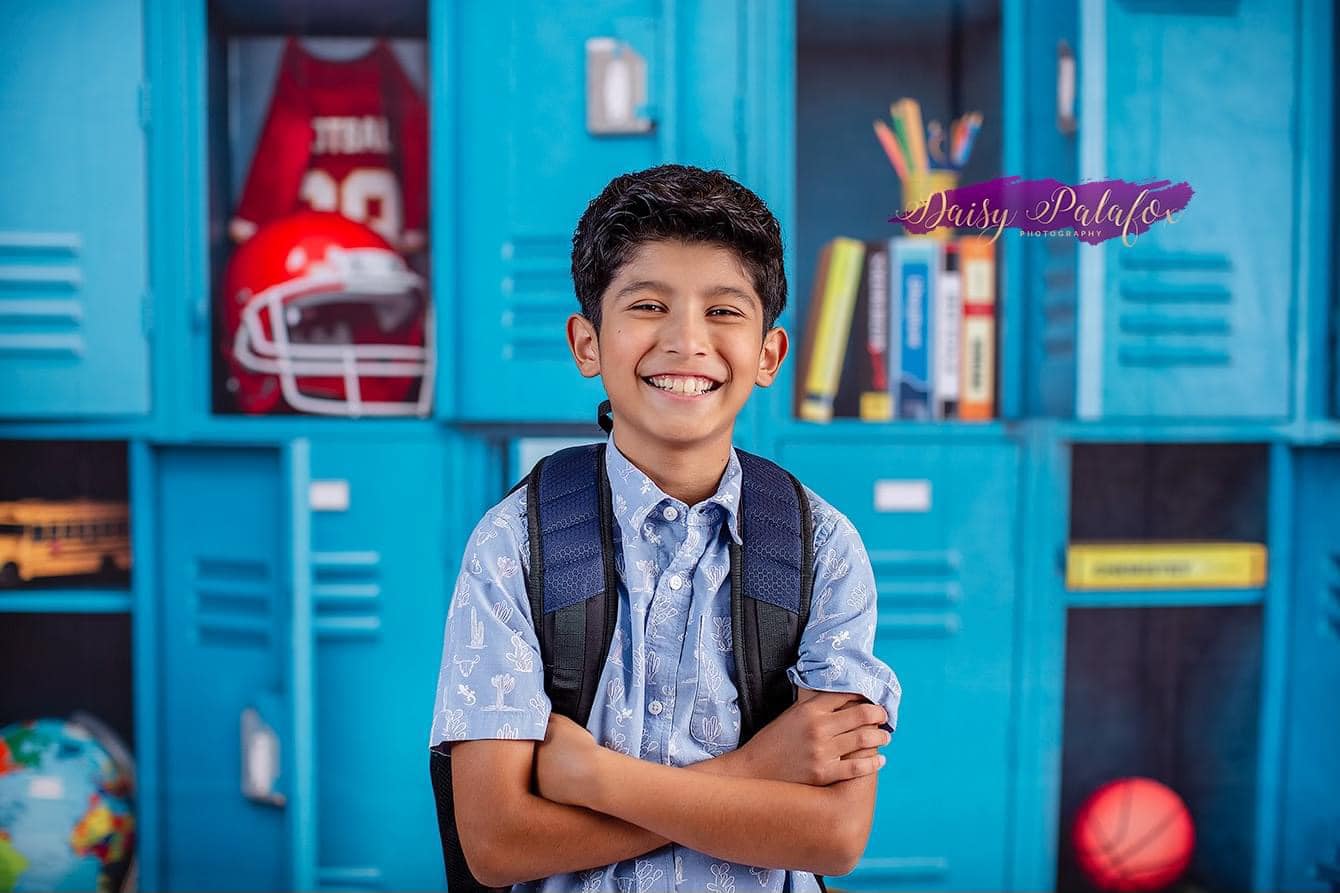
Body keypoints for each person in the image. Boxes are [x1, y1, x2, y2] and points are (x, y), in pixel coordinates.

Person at [429, 164, 902, 891]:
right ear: (587, 343)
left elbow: (834, 837)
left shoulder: (823, 549)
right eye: (648, 305)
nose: (687, 341)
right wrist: (755, 771)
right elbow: (494, 840)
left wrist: (594, 776)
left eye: (723, 310)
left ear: (770, 354)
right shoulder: (515, 544)